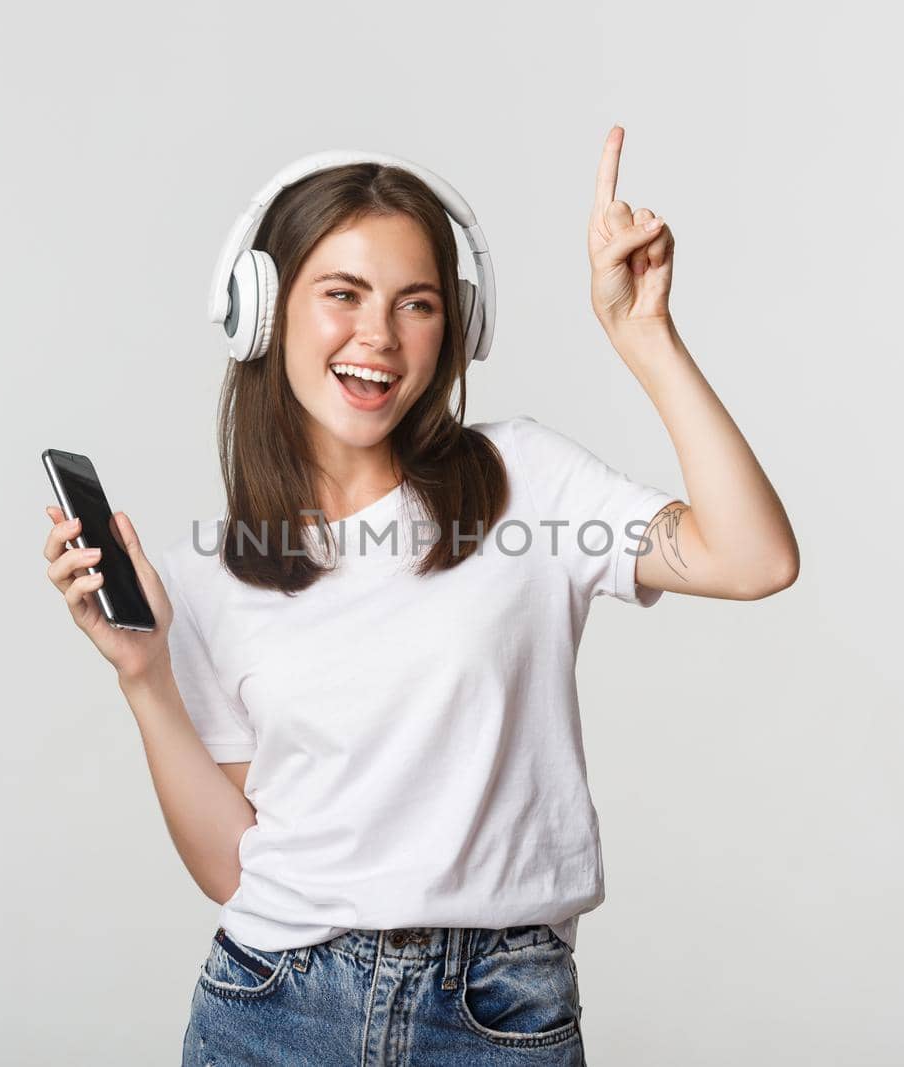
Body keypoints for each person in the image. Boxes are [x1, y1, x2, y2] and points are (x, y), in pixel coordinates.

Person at [41, 125, 799, 1065]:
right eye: (343, 294)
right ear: (261, 309)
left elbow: (753, 557)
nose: (380, 336)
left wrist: (645, 336)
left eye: (417, 303)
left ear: (456, 328)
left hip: (498, 1012)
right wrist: (145, 676)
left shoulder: (527, 482)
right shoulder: (215, 574)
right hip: (274, 1008)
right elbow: (233, 870)